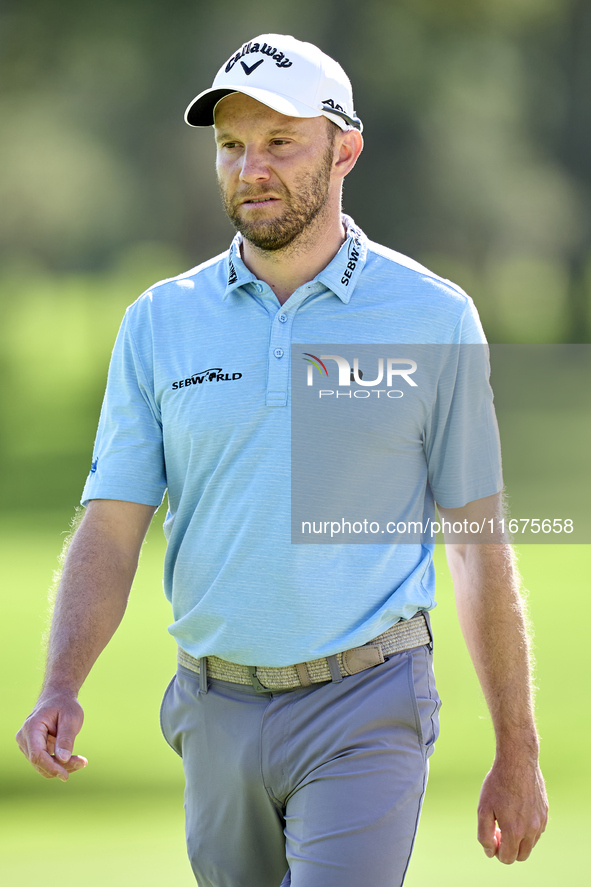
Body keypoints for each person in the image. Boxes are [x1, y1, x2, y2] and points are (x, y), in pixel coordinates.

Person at [16, 34, 547, 887]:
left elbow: (476, 544)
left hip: (366, 703)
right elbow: (113, 524)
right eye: (230, 145)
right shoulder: (159, 321)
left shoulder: (431, 315)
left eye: (278, 142)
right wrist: (60, 683)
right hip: (212, 708)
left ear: (345, 148)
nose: (248, 168)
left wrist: (516, 749)